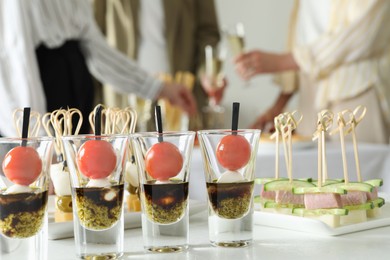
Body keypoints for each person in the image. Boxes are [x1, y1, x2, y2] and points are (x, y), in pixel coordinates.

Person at [0, 0, 196, 137]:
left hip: (74, 94)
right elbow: (15, 57)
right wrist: (36, 144)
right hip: (38, 98)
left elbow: (94, 46)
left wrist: (159, 88)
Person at [234, 0, 390, 143]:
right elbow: (302, 39)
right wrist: (278, 107)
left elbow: (363, 35)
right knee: (309, 170)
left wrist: (281, 61)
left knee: (362, 170)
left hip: (356, 93)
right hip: (309, 99)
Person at [93, 0, 223, 131]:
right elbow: (93, 40)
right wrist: (94, 112)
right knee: (126, 150)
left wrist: (206, 71)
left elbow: (208, 33)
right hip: (123, 98)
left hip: (179, 97)